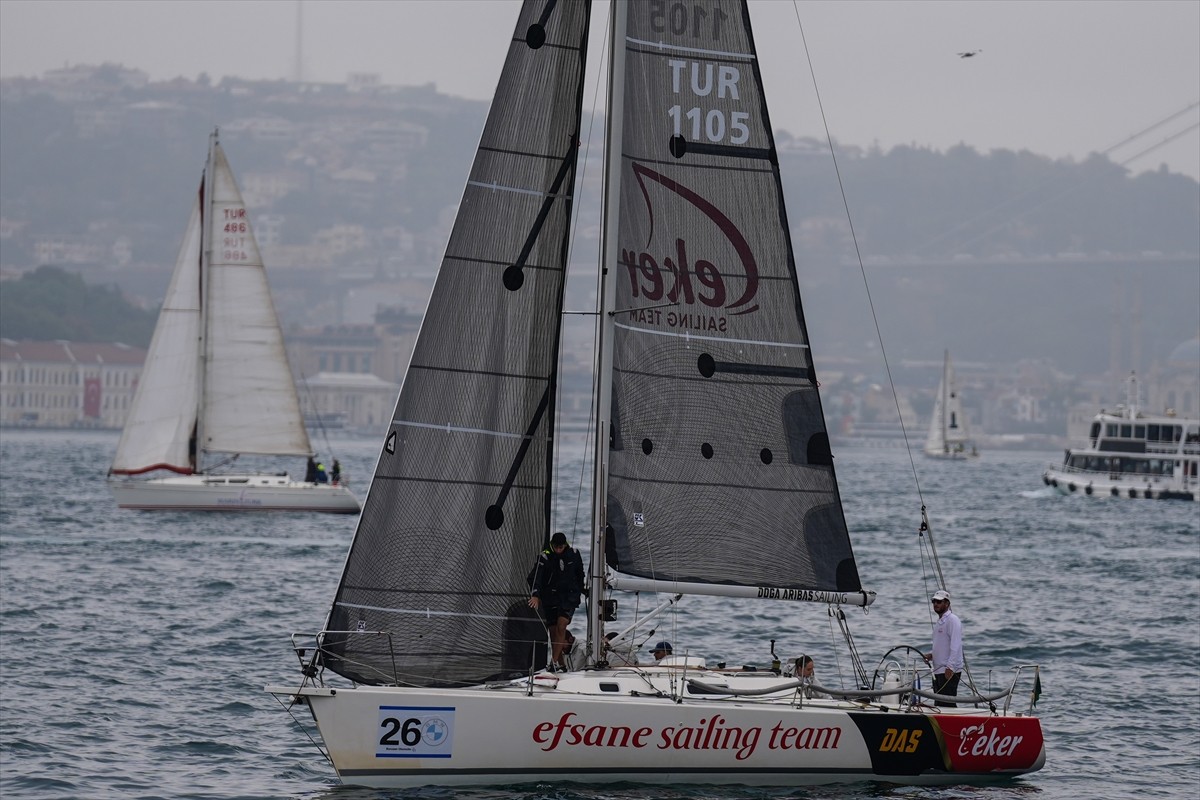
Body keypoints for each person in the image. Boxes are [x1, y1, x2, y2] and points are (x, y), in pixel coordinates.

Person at [527, 531, 584, 671]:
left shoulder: (574, 554)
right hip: (550, 598)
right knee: (553, 632)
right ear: (552, 545)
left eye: (561, 547)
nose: (559, 550)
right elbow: (535, 578)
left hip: (568, 597)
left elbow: (580, 574)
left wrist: (581, 590)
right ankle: (562, 665)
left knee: (561, 625)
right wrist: (535, 595)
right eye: (556, 547)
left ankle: (552, 662)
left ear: (565, 545)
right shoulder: (545, 556)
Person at [923, 589, 963, 706]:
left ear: (947, 603)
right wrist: (931, 655)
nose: (936, 604)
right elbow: (941, 645)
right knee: (939, 703)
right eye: (934, 601)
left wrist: (950, 667)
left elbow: (956, 645)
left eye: (939, 602)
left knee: (948, 703)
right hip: (938, 670)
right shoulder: (940, 622)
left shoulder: (952, 620)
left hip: (948, 670)